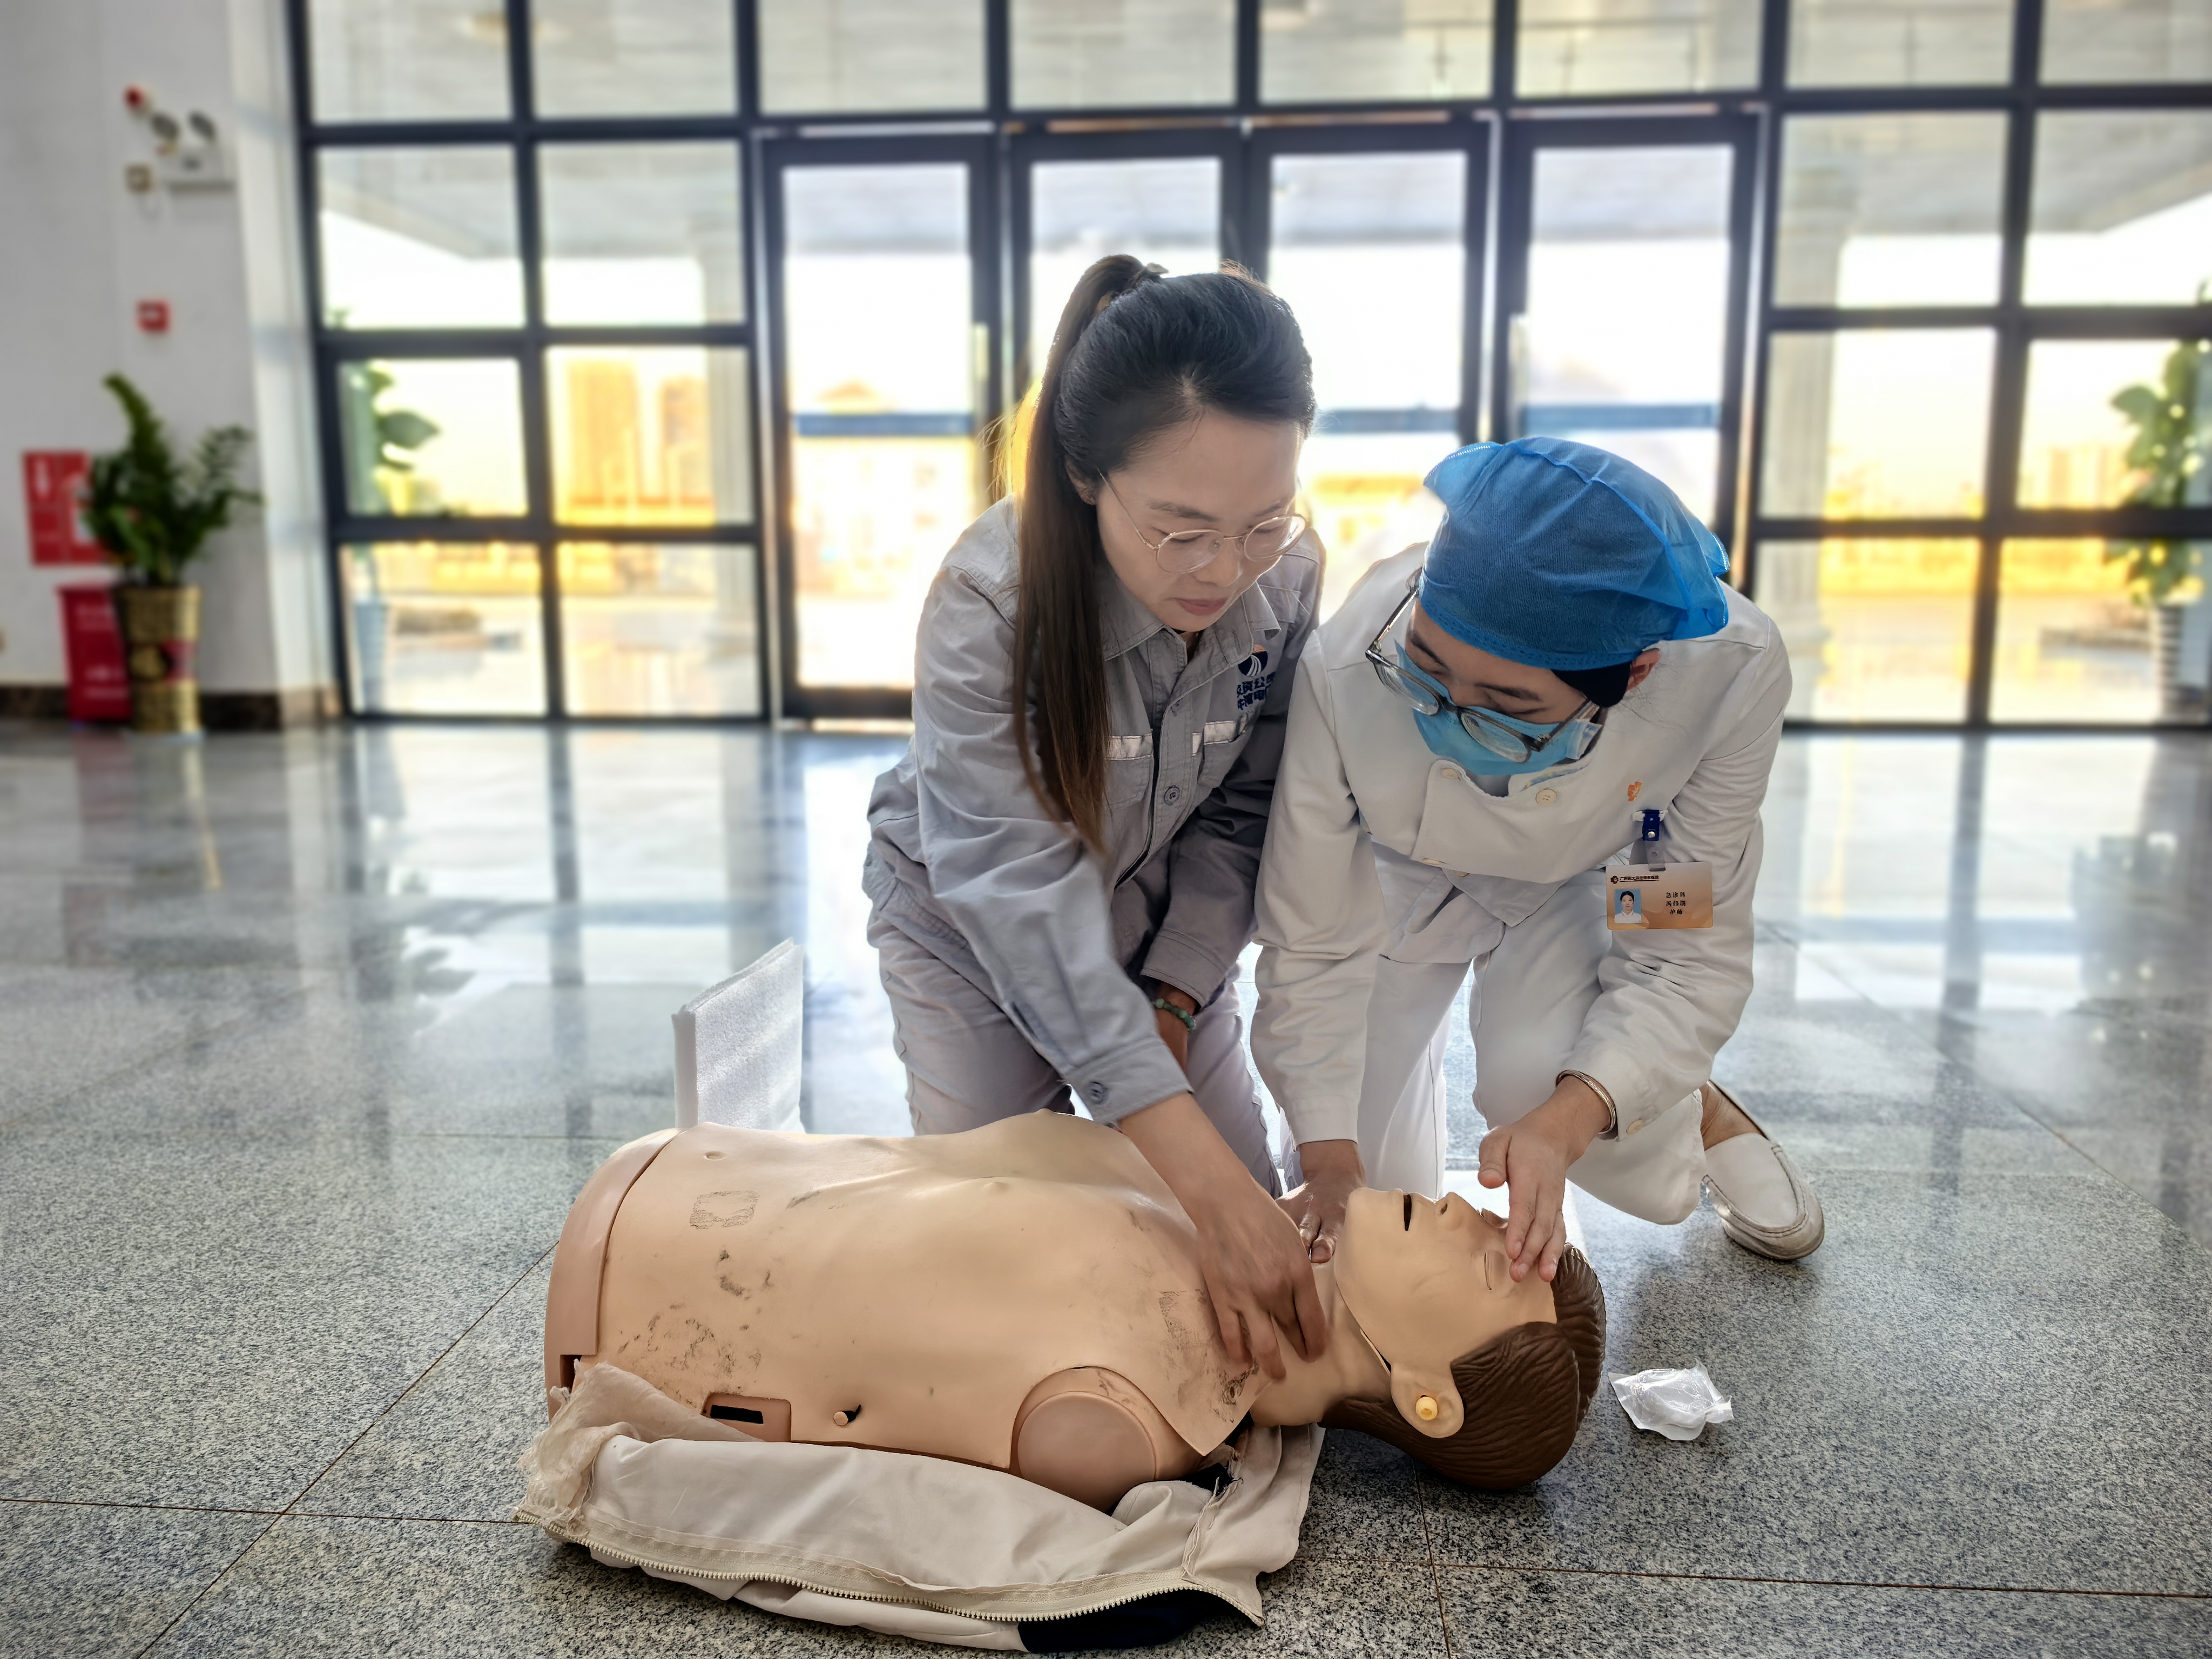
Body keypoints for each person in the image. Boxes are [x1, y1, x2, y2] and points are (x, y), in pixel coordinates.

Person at [863, 256, 1329, 1382]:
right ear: (1083, 476)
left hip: (1155, 923)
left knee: (1250, 1235)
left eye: (1263, 522)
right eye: (1180, 528)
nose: (1225, 570)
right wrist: (1177, 1149)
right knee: (996, 1260)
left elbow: (1242, 811)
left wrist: (1173, 996)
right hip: (971, 933)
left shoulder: (1288, 576)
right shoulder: (991, 599)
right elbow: (1013, 892)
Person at [1254, 436, 1825, 1289]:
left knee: (1537, 1082)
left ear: (1636, 674)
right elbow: (1311, 937)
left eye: (1508, 705)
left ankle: (1694, 1108)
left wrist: (1565, 1121)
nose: (1448, 713)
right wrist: (1329, 1160)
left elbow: (1681, 952)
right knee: (1360, 1193)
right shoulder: (1348, 661)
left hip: (1608, 860)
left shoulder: (1727, 677)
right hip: (1402, 863)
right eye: (1427, 670)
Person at [549, 1112, 1606, 1509]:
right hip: (691, 1173)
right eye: (1502, 1226)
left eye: (1495, 1266)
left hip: (628, 1283)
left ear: (1425, 1398)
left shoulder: (1129, 1413)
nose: (1478, 1214)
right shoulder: (1207, 1224)